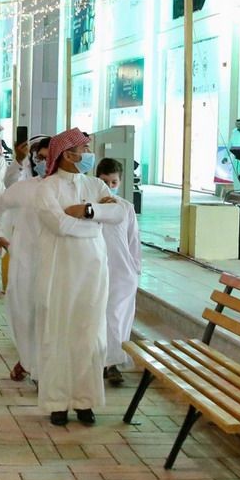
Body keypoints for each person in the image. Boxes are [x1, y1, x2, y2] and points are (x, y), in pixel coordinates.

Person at [32, 128, 125, 426]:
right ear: (67, 154)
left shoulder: (96, 184)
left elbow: (119, 214)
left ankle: (85, 401)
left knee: (90, 334)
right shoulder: (47, 188)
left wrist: (86, 211)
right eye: (83, 149)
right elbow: (59, 225)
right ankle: (57, 402)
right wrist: (96, 221)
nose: (87, 154)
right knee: (58, 334)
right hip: (59, 271)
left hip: (93, 270)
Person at [0, 136, 50, 382]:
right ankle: (27, 360)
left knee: (50, 315)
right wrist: (0, 237)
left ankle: (40, 368)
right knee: (24, 312)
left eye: (49, 158)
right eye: (40, 158)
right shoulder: (23, 188)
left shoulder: (72, 188)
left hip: (58, 263)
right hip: (25, 261)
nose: (44, 163)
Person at [94, 157, 142, 387]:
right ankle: (100, 360)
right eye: (105, 182)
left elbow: (134, 240)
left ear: (120, 182)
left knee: (118, 317)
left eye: (114, 182)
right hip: (96, 270)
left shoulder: (126, 207)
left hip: (122, 272)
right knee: (101, 316)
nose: (110, 186)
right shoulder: (89, 206)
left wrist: (135, 268)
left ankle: (113, 363)